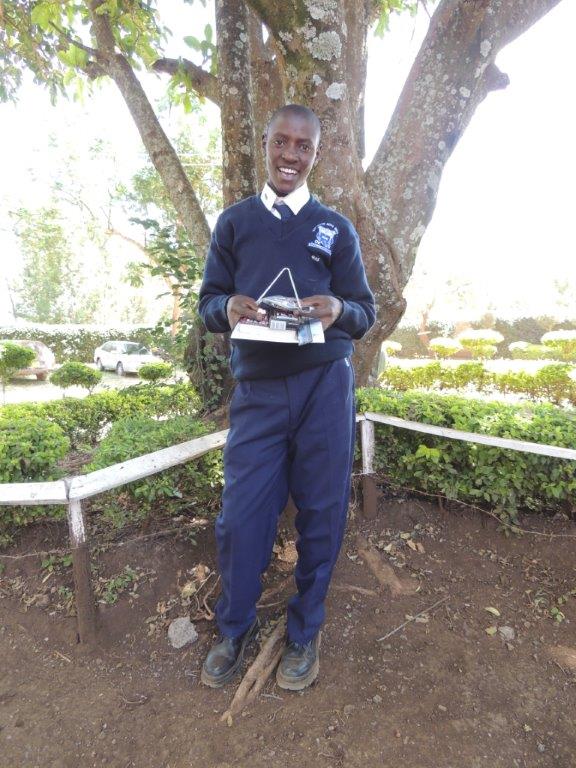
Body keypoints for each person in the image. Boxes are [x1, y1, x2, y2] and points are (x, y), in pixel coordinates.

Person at [198, 104, 375, 690]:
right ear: (265, 143)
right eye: (281, 142)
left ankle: (304, 631)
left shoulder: (335, 229)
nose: (290, 155)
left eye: (303, 146)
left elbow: (365, 311)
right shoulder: (235, 224)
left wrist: (338, 309)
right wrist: (227, 306)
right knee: (242, 516)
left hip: (325, 385)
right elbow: (208, 302)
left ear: (316, 155)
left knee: (322, 511)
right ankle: (234, 626)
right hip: (258, 391)